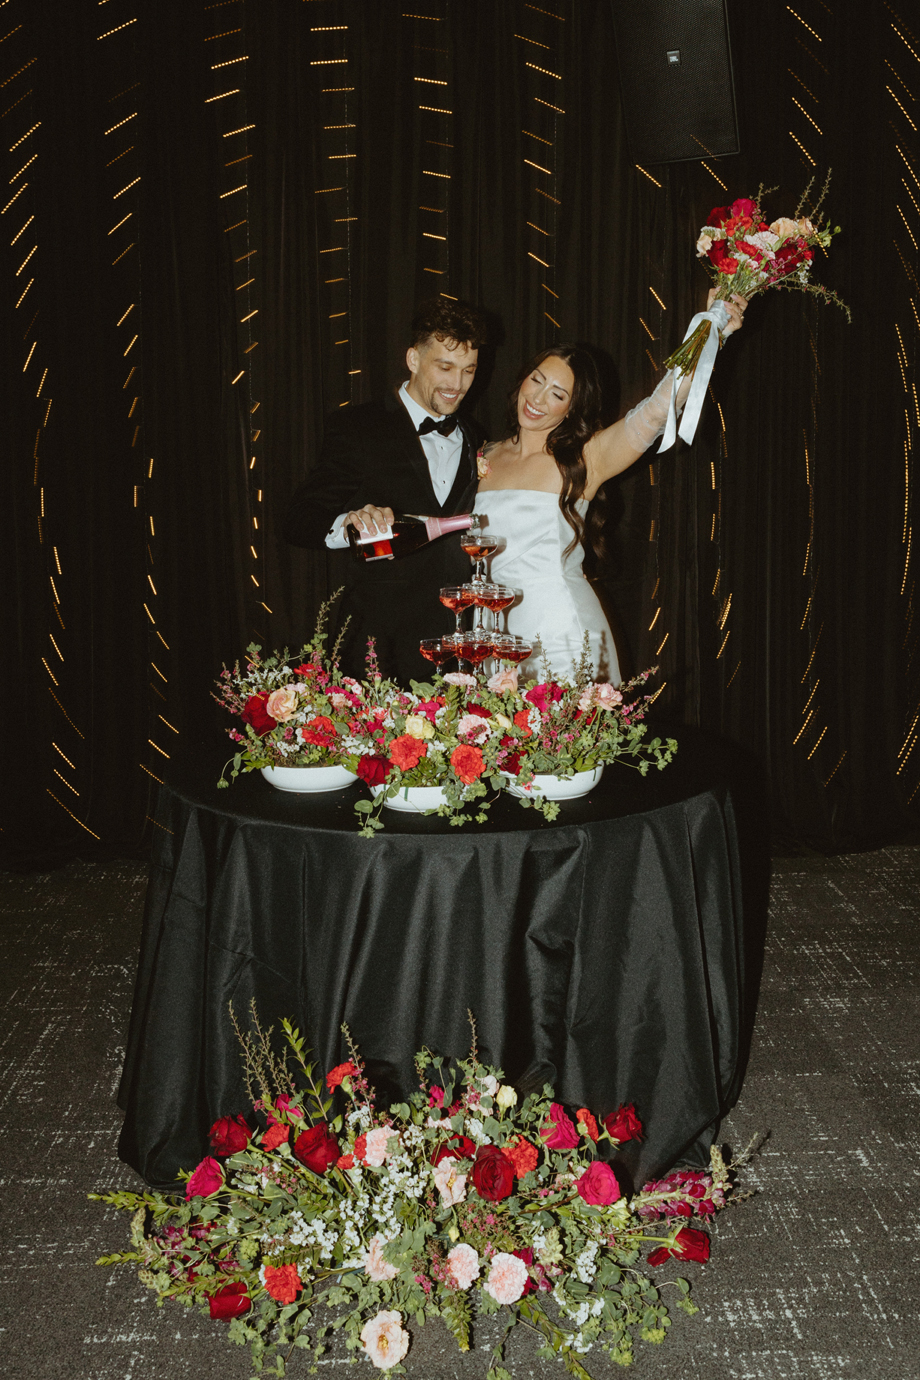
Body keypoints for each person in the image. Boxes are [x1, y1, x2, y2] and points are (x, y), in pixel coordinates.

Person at [477, 291, 747, 682]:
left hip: (562, 635)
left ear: (572, 408)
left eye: (557, 394)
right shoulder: (484, 454)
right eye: (536, 380)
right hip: (491, 634)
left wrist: (712, 328)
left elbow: (657, 409)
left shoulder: (587, 457)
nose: (537, 398)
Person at [283, 298, 488, 682]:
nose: (457, 385)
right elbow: (298, 520)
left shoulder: (477, 438)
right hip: (378, 647)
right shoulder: (359, 427)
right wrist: (350, 523)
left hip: (457, 648)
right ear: (413, 359)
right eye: (445, 367)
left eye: (468, 371)